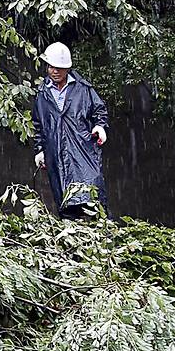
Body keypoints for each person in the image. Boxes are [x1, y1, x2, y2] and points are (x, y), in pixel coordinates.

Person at [32, 41, 109, 218]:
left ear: (67, 68)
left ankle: (100, 235)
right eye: (51, 67)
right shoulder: (42, 94)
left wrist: (100, 126)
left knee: (92, 198)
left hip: (83, 150)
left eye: (59, 68)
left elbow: (99, 109)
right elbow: (38, 124)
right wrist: (40, 150)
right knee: (65, 202)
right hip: (56, 153)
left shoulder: (83, 89)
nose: (55, 71)